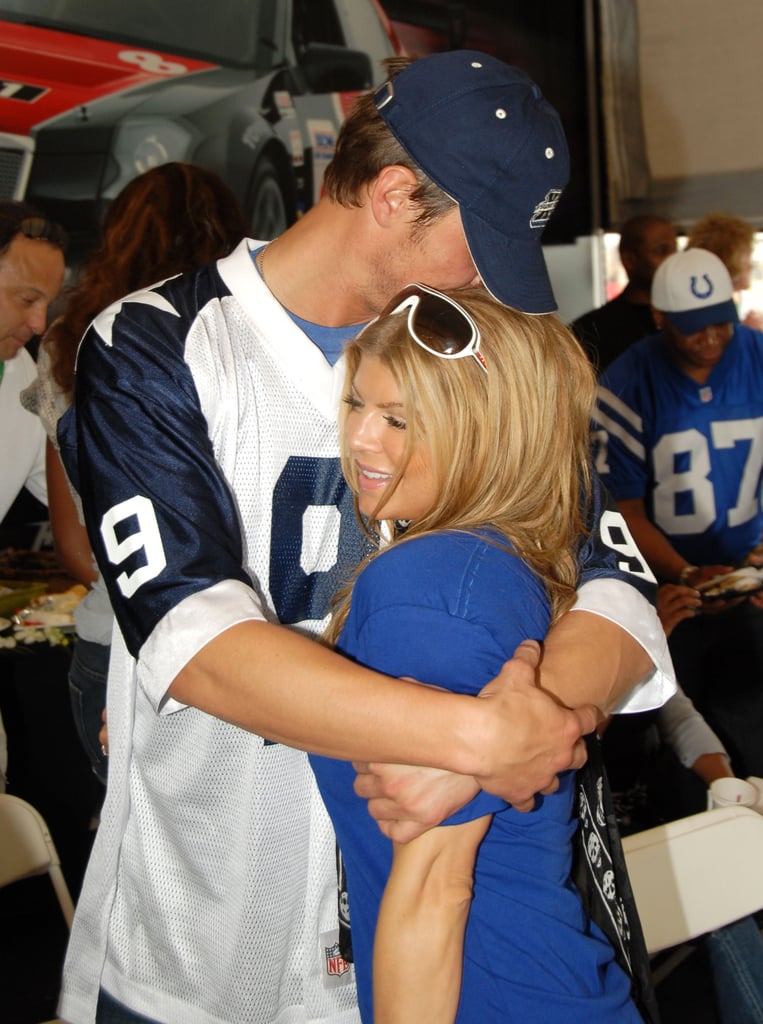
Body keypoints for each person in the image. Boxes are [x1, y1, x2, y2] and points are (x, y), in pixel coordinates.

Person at [58, 52, 673, 1024]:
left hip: (415, 954)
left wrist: (521, 728)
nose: (486, 279)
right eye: (478, 243)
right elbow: (191, 636)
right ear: (394, 195)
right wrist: (472, 736)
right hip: (202, 944)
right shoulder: (157, 342)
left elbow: (617, 593)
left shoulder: (475, 348)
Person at [310, 284, 641, 1023]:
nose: (361, 439)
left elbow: (435, 890)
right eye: (356, 405)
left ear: (483, 432)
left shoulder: (430, 581)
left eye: (397, 419)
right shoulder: (499, 558)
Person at [23, 163, 248, 784]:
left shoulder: (70, 342)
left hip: (118, 638)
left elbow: (75, 546)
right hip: (246, 644)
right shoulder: (245, 333)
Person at [594, 246, 763, 779]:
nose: (711, 339)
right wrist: (686, 573)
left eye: (721, 324)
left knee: (753, 725)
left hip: (751, 580)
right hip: (667, 591)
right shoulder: (625, 383)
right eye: (694, 327)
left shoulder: (758, 356)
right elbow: (623, 508)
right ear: (659, 317)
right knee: (676, 738)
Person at [602, 582, 763, 1024]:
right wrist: (645, 643)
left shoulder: (645, 649)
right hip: (594, 829)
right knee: (721, 900)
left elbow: (681, 719)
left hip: (649, 805)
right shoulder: (589, 655)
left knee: (734, 876)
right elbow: (582, 735)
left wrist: (728, 786)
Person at [0, 201, 66, 522]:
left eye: (46, 305)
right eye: (27, 300)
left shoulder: (26, 381)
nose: (39, 324)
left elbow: (81, 506)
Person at [571, 214, 677, 371]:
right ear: (630, 260)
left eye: (675, 250)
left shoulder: (688, 319)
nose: (673, 259)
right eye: (661, 251)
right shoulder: (592, 331)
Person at [688, 211, 763, 330]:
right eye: (746, 256)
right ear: (726, 260)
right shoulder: (704, 311)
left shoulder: (745, 302)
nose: (751, 265)